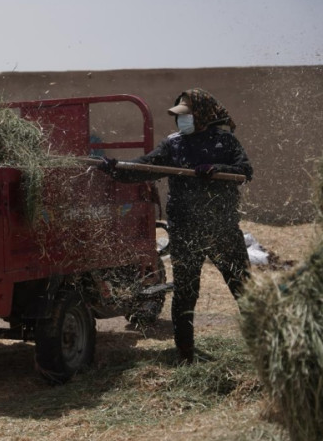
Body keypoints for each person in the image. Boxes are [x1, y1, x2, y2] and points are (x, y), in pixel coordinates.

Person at [99, 88, 253, 363]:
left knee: (242, 289)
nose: (181, 121)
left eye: (187, 115)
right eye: (179, 116)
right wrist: (116, 169)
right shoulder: (173, 144)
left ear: (203, 116)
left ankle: (263, 349)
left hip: (222, 229)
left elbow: (244, 171)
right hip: (185, 231)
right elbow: (146, 166)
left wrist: (216, 170)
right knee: (185, 294)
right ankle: (185, 354)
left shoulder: (225, 142)